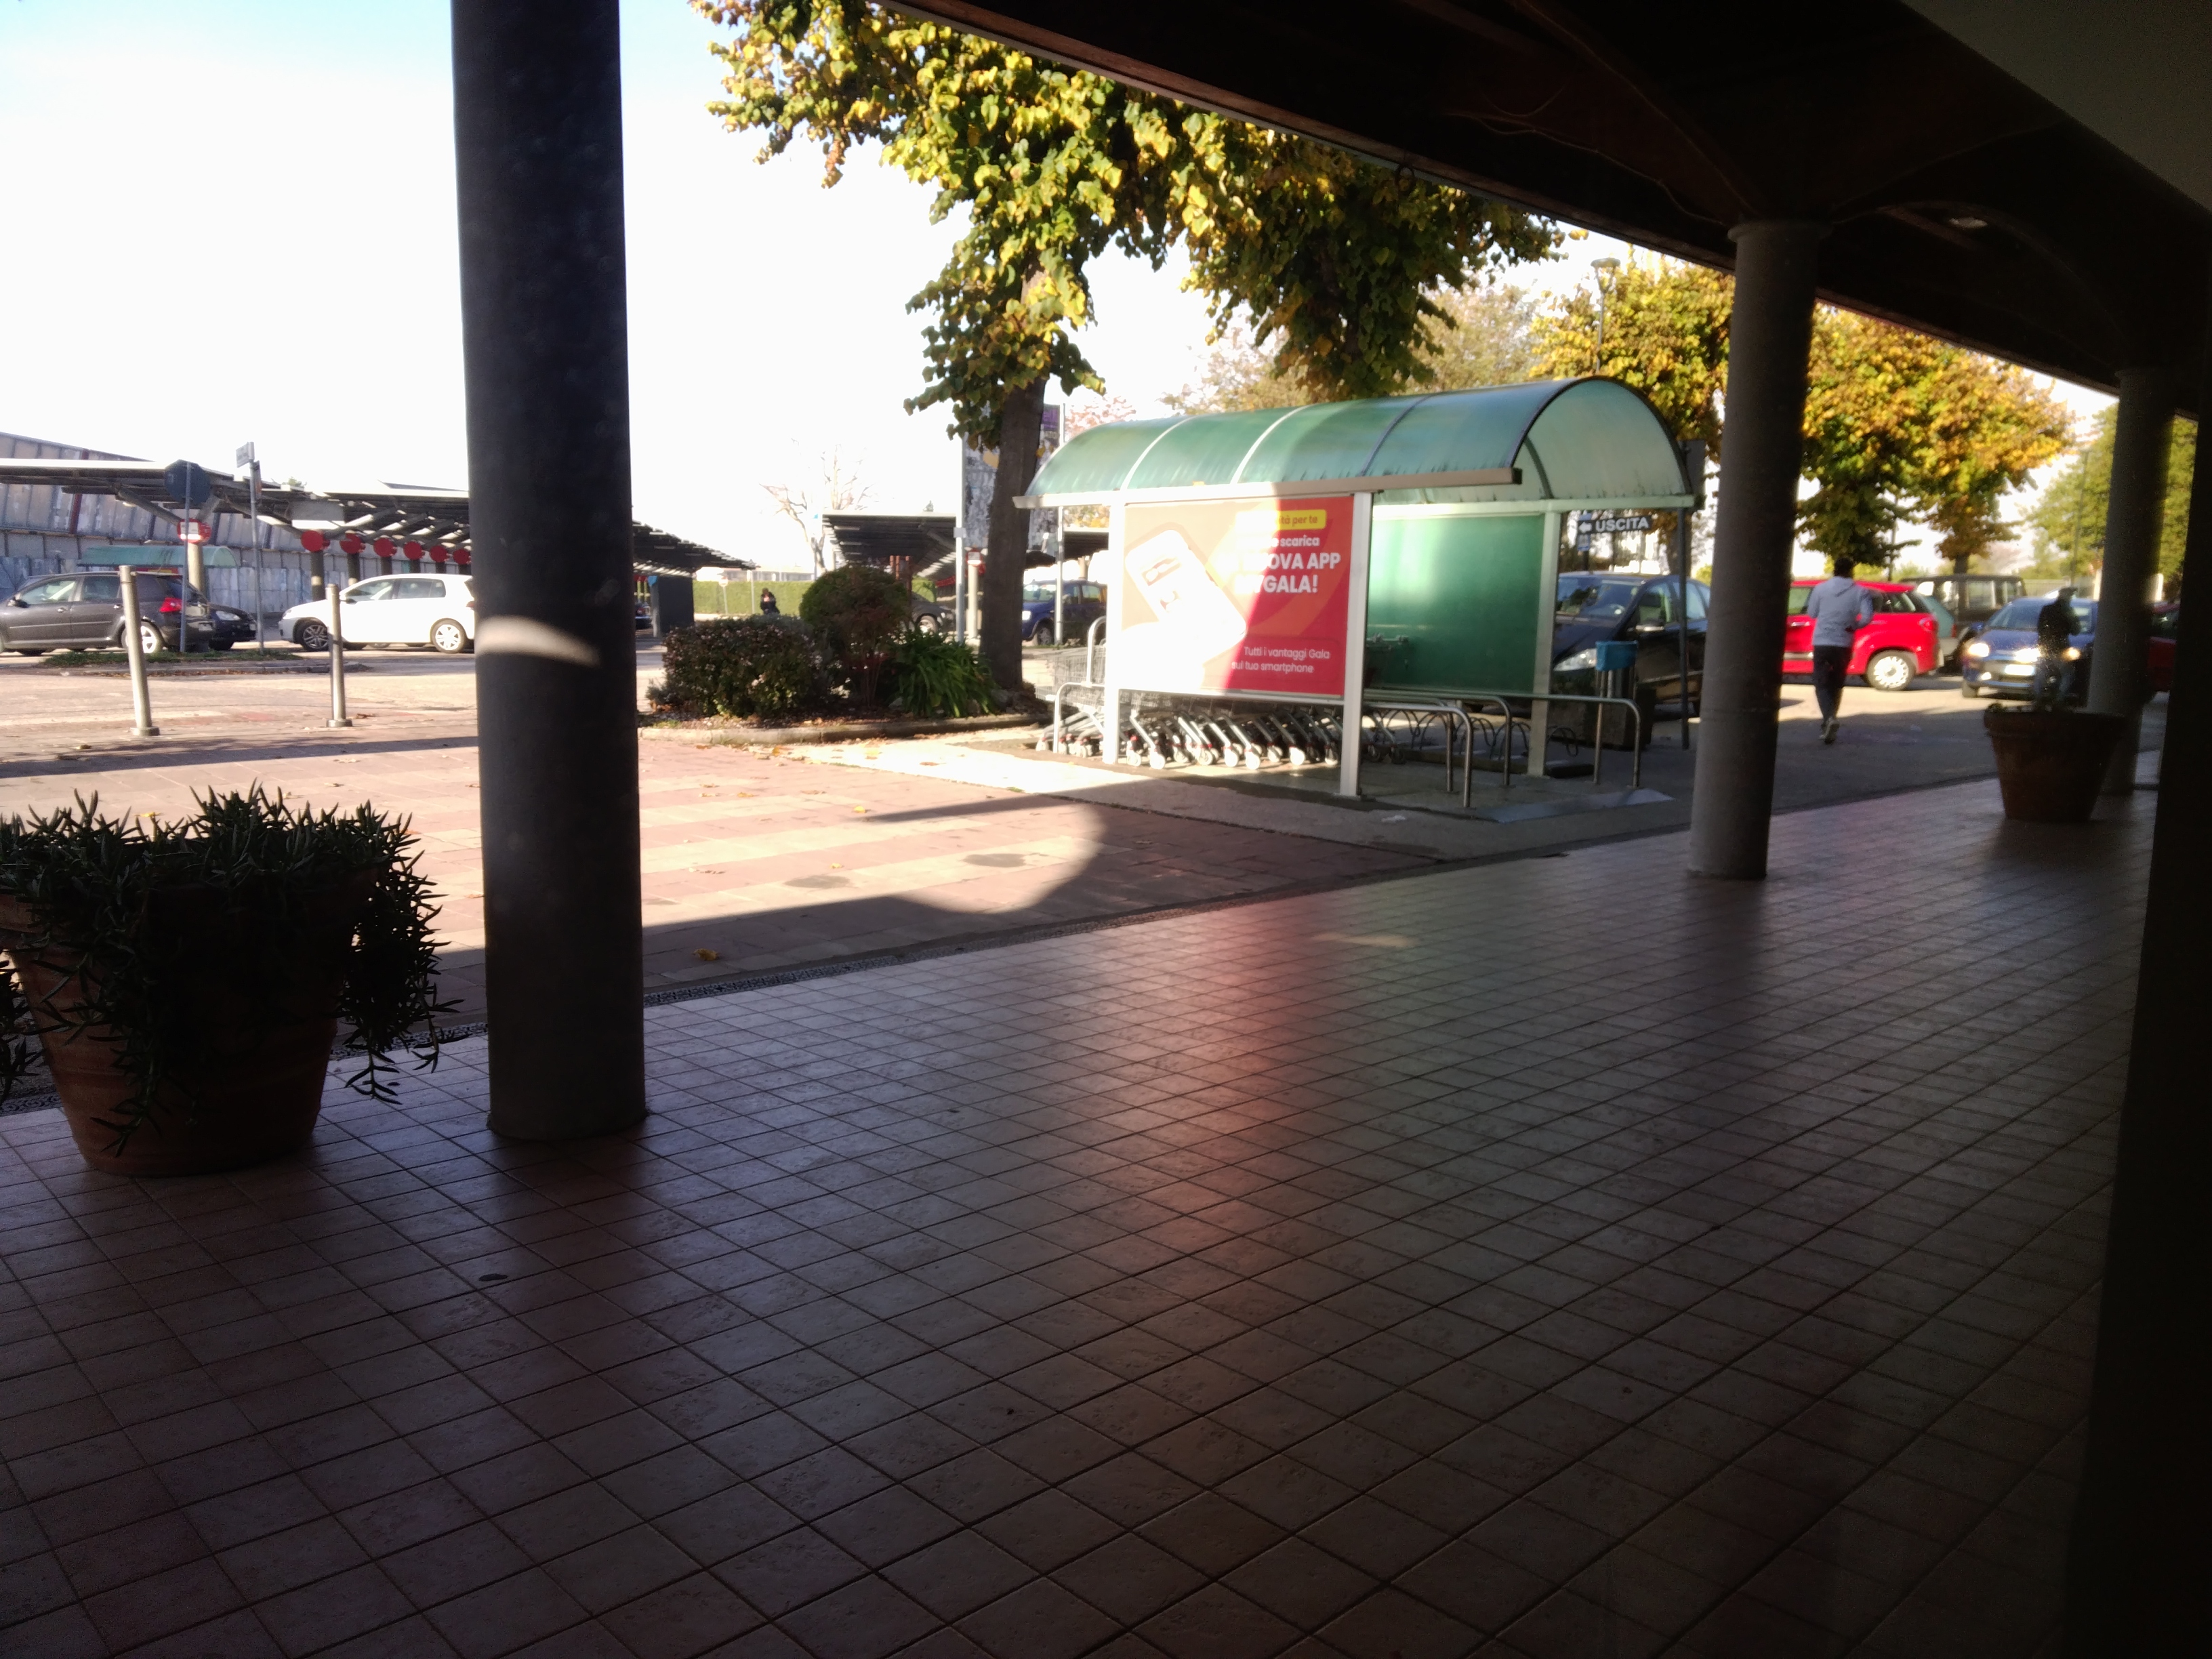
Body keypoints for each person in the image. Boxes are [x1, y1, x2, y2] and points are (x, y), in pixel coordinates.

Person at [1804, 554, 1875, 743]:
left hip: (1822, 641)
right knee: (1837, 682)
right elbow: (1867, 617)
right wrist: (1855, 625)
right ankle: (1831, 719)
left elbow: (1812, 613)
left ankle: (1828, 719)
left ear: (1834, 569)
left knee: (1821, 682)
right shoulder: (1861, 591)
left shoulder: (1820, 588)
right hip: (1844, 642)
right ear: (1851, 570)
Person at [2032, 587, 2079, 705]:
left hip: (2045, 648)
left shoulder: (2046, 609)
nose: (2071, 598)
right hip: (2061, 648)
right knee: (2068, 674)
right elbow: (2076, 631)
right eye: (2070, 596)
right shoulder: (2068, 611)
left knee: (2042, 673)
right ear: (2068, 597)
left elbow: (2040, 628)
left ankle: (2038, 699)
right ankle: (2059, 699)